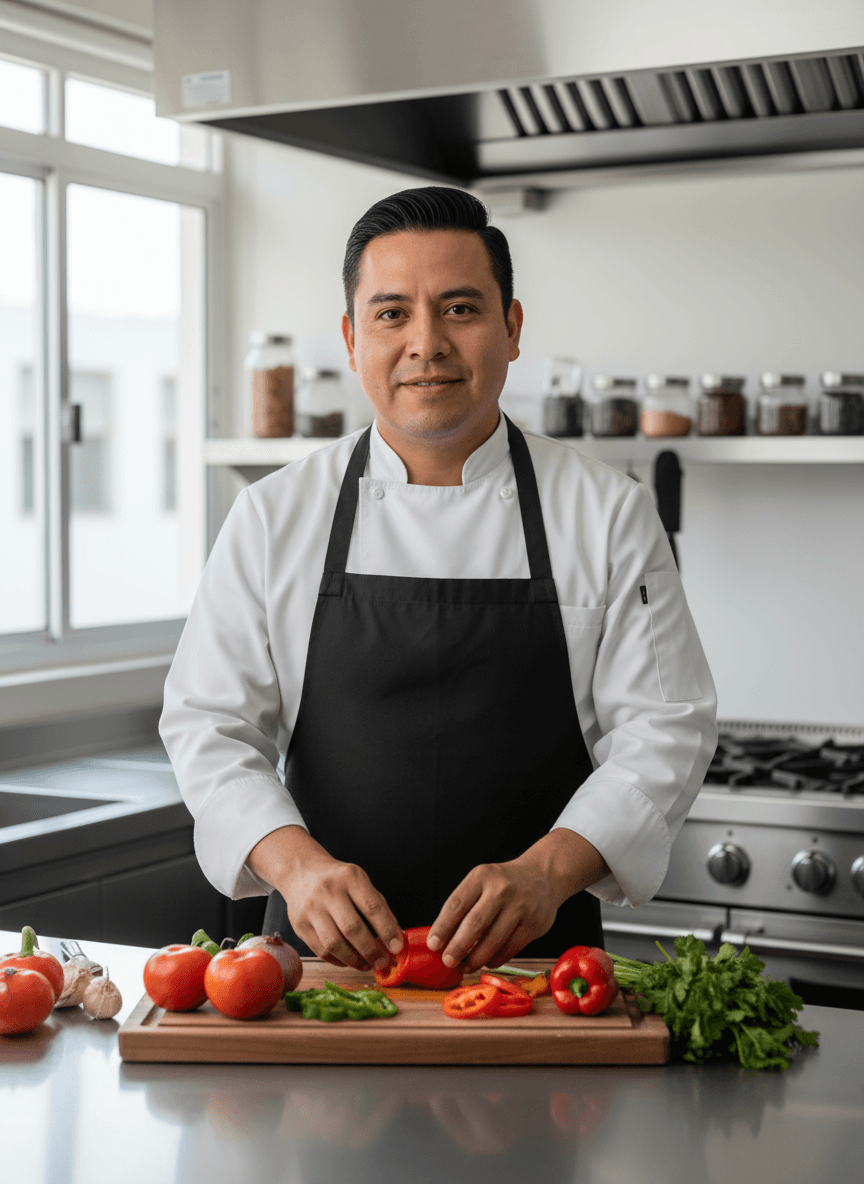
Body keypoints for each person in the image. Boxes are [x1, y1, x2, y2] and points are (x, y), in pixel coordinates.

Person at [160, 186, 717, 976]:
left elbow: (667, 727)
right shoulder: (272, 517)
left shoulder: (607, 514)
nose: (426, 343)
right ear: (352, 339)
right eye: (392, 314)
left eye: (460, 309)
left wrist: (547, 872)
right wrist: (296, 867)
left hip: (538, 977)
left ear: (511, 328)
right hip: (323, 972)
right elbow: (208, 725)